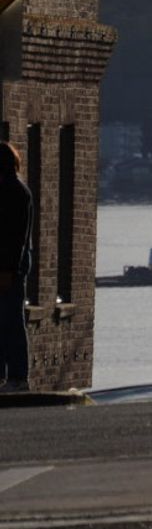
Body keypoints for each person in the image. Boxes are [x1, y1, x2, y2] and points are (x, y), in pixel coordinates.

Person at [0, 143, 31, 392]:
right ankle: (11, 376)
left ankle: (18, 377)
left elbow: (15, 237)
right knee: (8, 321)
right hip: (11, 266)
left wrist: (9, 270)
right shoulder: (15, 189)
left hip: (9, 268)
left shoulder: (13, 191)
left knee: (11, 320)